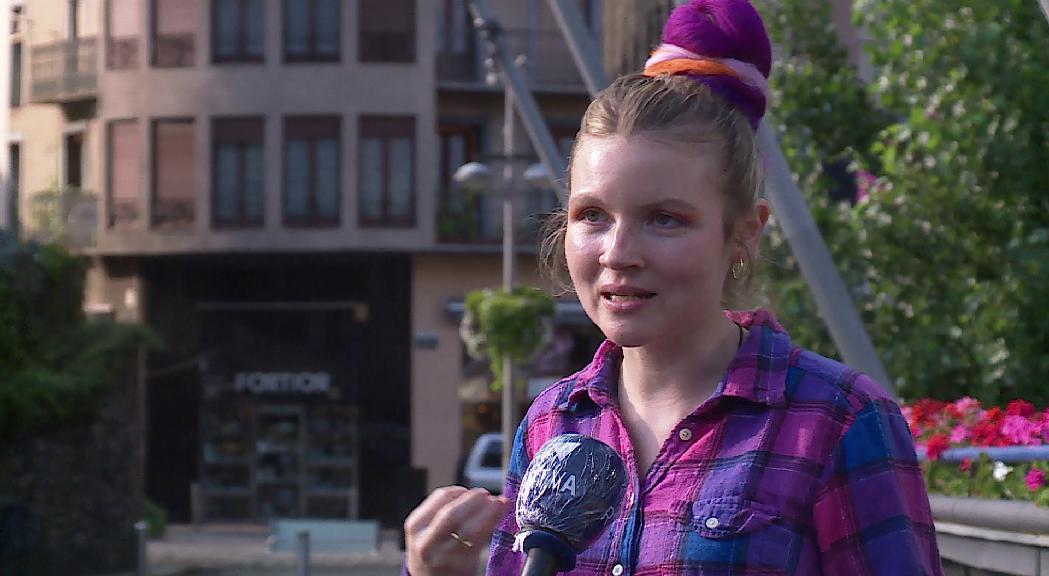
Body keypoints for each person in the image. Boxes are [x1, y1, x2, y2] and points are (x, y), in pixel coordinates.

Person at [404, 0, 944, 574]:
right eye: (592, 215)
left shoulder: (840, 421)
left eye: (665, 218)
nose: (618, 253)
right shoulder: (551, 421)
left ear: (743, 234)